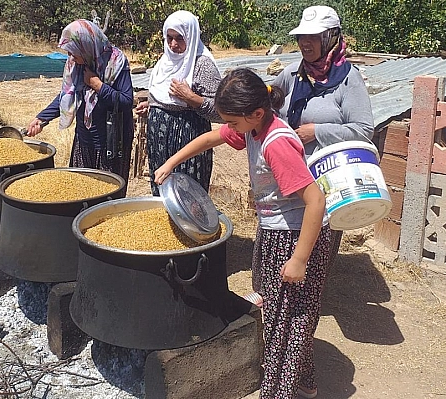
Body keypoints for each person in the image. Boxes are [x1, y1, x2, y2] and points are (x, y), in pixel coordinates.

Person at [154, 68, 330, 399]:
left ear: (257, 113)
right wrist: (171, 163)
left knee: (285, 322)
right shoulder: (252, 128)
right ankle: (305, 380)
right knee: (285, 308)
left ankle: (278, 390)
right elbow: (211, 138)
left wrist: (299, 260)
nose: (230, 129)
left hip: (296, 236)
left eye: (233, 122)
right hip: (275, 227)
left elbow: (316, 201)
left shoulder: (276, 144)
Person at [244, 5, 375, 297]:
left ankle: (303, 300)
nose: (305, 43)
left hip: (328, 177)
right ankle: (270, 295)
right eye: (302, 36)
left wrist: (317, 131)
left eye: (314, 37)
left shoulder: (348, 79)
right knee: (275, 236)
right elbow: (266, 107)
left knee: (316, 242)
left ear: (331, 37)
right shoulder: (292, 74)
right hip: (288, 175)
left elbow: (365, 130)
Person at [26, 19, 134, 196]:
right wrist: (41, 118)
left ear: (87, 47)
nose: (70, 58)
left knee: (107, 197)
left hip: (112, 144)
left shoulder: (116, 63)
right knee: (80, 193)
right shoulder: (76, 64)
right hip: (85, 140)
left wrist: (98, 85)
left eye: (73, 53)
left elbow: (126, 102)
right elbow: (67, 95)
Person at [135, 10, 222, 196]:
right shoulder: (164, 62)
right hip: (159, 138)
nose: (173, 44)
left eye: (180, 38)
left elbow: (221, 111)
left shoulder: (202, 65)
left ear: (191, 36)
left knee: (188, 194)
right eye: (169, 38)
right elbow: (164, 95)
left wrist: (191, 98)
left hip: (188, 139)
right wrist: (153, 104)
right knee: (161, 186)